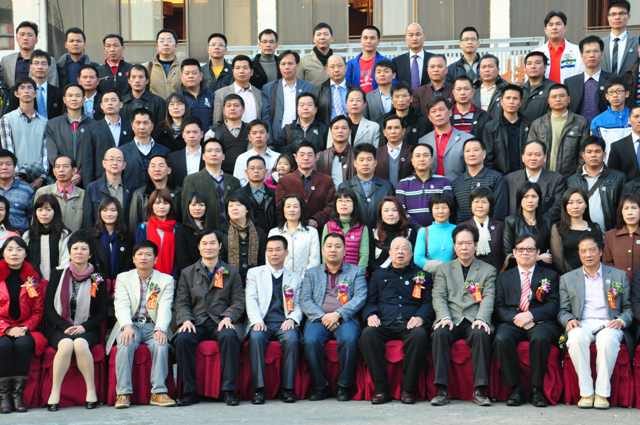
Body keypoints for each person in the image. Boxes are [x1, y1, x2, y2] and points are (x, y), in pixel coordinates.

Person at [559, 234, 631, 409]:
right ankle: (586, 393)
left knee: (607, 340)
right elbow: (563, 310)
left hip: (609, 323)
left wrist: (622, 320)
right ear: (579, 254)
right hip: (582, 323)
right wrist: (568, 320)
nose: (588, 254)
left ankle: (601, 394)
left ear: (600, 252)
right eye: (583, 251)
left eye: (592, 250)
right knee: (575, 339)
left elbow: (628, 308)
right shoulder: (568, 278)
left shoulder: (619, 276)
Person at [173, 230, 244, 406]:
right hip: (196, 321)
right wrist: (186, 319)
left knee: (229, 336)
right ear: (198, 247)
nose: (208, 247)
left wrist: (228, 317)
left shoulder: (231, 272)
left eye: (212, 243)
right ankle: (189, 392)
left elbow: (238, 301)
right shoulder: (187, 273)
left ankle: (229, 390)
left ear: (220, 246)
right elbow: (181, 302)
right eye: (204, 243)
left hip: (220, 321)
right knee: (183, 339)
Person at [360, 236, 432, 404]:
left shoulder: (422, 275)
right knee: (368, 335)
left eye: (404, 249)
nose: (400, 252)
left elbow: (428, 303)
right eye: (396, 249)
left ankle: (408, 390)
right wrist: (371, 315)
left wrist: (420, 317)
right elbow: (370, 302)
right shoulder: (378, 275)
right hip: (384, 322)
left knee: (419, 335)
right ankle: (381, 389)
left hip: (410, 323)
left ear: (411, 254)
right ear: (390, 253)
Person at [430, 224, 496, 407]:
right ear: (454, 246)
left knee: (481, 334)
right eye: (460, 243)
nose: (464, 247)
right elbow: (438, 296)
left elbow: (489, 297)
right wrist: (444, 317)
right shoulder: (443, 269)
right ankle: (441, 390)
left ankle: (480, 390)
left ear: (475, 245)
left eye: (468, 243)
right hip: (451, 317)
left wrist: (482, 319)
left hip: (474, 317)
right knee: (439, 334)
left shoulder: (488, 270)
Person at [494, 235, 561, 407]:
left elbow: (554, 304)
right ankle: (515, 389)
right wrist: (516, 318)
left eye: (530, 249)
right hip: (513, 321)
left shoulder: (550, 275)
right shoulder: (503, 277)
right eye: (521, 249)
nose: (525, 253)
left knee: (540, 338)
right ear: (514, 253)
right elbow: (499, 307)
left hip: (540, 322)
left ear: (538, 253)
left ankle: (537, 390)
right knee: (501, 338)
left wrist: (532, 315)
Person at [107, 240, 175, 409]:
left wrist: (161, 329)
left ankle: (158, 392)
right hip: (131, 325)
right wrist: (126, 326)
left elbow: (165, 307)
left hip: (154, 325)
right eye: (140, 254)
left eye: (148, 254)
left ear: (155, 259)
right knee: (125, 342)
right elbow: (121, 304)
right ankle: (123, 393)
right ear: (133, 259)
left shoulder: (166, 280)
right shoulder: (123, 278)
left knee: (161, 344)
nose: (144, 258)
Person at [300, 232, 367, 401]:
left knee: (350, 339)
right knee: (311, 340)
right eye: (329, 246)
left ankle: (344, 386)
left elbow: (360, 297)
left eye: (337, 246)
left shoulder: (356, 271)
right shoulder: (311, 273)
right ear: (323, 250)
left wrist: (338, 314)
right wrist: (323, 317)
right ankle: (320, 386)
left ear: (344, 251)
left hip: (345, 318)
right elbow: (305, 299)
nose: (333, 250)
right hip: (318, 318)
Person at [43, 231, 106, 411]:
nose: (79, 252)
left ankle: (91, 392)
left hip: (87, 328)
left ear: (90, 254)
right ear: (69, 252)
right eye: (75, 248)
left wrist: (83, 327)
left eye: (84, 249)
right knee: (65, 345)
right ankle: (55, 393)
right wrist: (65, 326)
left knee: (79, 344)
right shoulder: (57, 274)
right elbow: (49, 309)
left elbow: (102, 312)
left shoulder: (97, 277)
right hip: (59, 327)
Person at [245, 235, 302, 404]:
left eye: (278, 250)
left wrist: (292, 318)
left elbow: (299, 303)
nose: (274, 254)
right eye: (270, 250)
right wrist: (256, 321)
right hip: (262, 320)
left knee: (292, 339)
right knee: (256, 337)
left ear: (286, 252)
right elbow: (251, 299)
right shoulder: (255, 273)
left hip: (283, 321)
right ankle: (259, 389)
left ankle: (288, 389)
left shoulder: (295, 277)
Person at [0, 236, 46, 414]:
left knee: (24, 344)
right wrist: (7, 329)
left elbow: (38, 310)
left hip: (24, 327)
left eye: (19, 249)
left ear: (25, 253)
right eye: (10, 249)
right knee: (3, 346)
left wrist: (25, 327)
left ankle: (17, 395)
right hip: (2, 326)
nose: (14, 253)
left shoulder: (31, 277)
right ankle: (4, 396)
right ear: (3, 253)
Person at [528, 83, 590, 176]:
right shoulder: (537, 124)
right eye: (554, 97)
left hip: (569, 177)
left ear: (568, 99)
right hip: (542, 176)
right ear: (548, 101)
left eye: (562, 96)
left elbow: (584, 153)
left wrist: (576, 175)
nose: (558, 99)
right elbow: (530, 151)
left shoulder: (580, 122)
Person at [566, 136, 624, 233]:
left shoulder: (618, 178)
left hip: (609, 234)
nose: (593, 155)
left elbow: (622, 209)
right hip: (580, 234)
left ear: (604, 154)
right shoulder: (572, 181)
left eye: (597, 151)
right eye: (589, 152)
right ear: (583, 155)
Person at [181, 138, 241, 230]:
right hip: (204, 233)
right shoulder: (191, 180)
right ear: (203, 156)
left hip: (231, 232)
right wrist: (199, 231)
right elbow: (186, 213)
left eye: (218, 151)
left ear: (223, 156)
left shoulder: (234, 181)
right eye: (209, 151)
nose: (214, 154)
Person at [275, 142, 335, 230]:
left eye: (310, 155)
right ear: (295, 157)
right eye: (302, 155)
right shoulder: (285, 181)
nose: (306, 158)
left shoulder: (326, 180)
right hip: (292, 228)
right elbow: (280, 205)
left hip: (320, 228)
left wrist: (316, 220)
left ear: (316, 157)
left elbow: (331, 205)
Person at [0, 78, 48, 187]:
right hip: (15, 178)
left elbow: (45, 153)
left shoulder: (45, 122)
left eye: (30, 88)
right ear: (16, 94)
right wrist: (18, 176)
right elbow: (8, 151)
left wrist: (42, 177)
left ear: (35, 93)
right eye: (22, 88)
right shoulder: (6, 119)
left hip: (39, 178)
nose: (26, 91)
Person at [262, 51, 316, 146]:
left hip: (301, 139)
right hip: (277, 138)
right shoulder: (269, 88)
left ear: (297, 66)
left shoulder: (308, 88)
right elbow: (266, 116)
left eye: (290, 63)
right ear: (279, 66)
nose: (286, 67)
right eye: (283, 64)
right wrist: (269, 140)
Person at [80, 89, 133, 185]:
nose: (110, 103)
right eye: (106, 100)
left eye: (113, 100)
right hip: (100, 181)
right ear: (101, 106)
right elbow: (87, 160)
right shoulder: (92, 129)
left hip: (127, 180)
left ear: (121, 104)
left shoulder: (130, 127)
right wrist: (89, 186)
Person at [505, 140, 566, 220]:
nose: (533, 158)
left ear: (545, 158)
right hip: (514, 225)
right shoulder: (509, 179)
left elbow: (557, 207)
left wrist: (538, 223)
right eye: (529, 154)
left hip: (545, 225)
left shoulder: (557, 180)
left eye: (537, 155)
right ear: (523, 157)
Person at [339, 143, 394, 229]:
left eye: (369, 159)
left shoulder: (386, 187)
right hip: (354, 232)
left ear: (375, 163)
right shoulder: (345, 187)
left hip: (380, 232)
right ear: (355, 163)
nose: (365, 163)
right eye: (361, 160)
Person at [452, 138, 508, 222]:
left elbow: (500, 210)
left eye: (476, 150)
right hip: (462, 228)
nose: (471, 154)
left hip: (490, 227)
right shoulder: (456, 183)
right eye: (467, 151)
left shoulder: (496, 178)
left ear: (484, 154)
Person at [396, 144, 451, 227]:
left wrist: (433, 229)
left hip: (438, 229)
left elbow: (448, 208)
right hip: (411, 230)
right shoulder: (403, 184)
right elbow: (401, 211)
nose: (422, 159)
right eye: (417, 156)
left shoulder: (444, 182)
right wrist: (419, 229)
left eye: (425, 155)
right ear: (412, 161)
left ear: (431, 159)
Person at [419, 97, 474, 181]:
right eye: (433, 111)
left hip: (459, 187)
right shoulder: (423, 141)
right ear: (429, 117)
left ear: (450, 112)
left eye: (441, 110)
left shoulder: (467, 139)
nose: (438, 114)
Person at [550, 188, 603, 273]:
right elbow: (558, 260)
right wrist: (573, 276)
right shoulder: (558, 228)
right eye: (570, 203)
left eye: (579, 202)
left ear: (586, 204)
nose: (575, 206)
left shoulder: (595, 227)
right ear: (565, 206)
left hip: (594, 274)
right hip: (568, 275)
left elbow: (600, 254)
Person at [268, 194, 320, 277]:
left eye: (295, 207)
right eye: (288, 206)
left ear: (301, 209)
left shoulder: (312, 232)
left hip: (306, 280)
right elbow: (269, 261)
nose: (291, 210)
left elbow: (315, 261)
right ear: (283, 210)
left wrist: (302, 279)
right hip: (280, 280)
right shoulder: (274, 233)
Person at [45, 84, 93, 171]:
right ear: (64, 100)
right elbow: (52, 154)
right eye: (70, 96)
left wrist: (80, 173)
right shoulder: (53, 124)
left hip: (87, 174)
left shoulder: (93, 125)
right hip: (61, 173)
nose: (74, 99)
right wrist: (67, 171)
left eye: (78, 96)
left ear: (83, 100)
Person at [503, 182, 553, 267]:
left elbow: (551, 251)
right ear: (520, 200)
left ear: (539, 200)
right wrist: (537, 258)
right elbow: (508, 254)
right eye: (526, 196)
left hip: (543, 268)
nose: (530, 201)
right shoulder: (511, 221)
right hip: (518, 268)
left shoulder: (547, 221)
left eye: (534, 196)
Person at [119, 108, 170, 191]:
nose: (142, 127)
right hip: (131, 197)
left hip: (158, 197)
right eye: (138, 123)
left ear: (152, 126)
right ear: (132, 126)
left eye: (145, 123)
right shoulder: (122, 152)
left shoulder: (164, 151)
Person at [483, 84, 530, 174]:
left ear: (520, 102)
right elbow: (488, 157)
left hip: (524, 175)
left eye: (515, 98)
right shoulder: (491, 127)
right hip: (499, 176)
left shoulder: (529, 125)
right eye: (508, 98)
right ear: (501, 102)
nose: (511, 102)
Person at [565, 35, 612, 125]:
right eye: (587, 52)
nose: (591, 55)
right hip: (577, 129)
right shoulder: (570, 83)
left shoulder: (613, 80)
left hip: (606, 128)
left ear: (602, 54)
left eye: (595, 51)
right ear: (581, 55)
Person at [23, 194, 70, 281]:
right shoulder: (28, 235)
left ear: (55, 212)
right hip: (32, 282)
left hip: (57, 281)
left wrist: (54, 280)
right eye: (40, 210)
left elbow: (65, 262)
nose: (44, 214)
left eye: (48, 210)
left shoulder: (64, 234)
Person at [83, 148, 132, 229]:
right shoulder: (92, 188)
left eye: (119, 160)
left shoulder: (130, 188)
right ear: (104, 163)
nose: (115, 163)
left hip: (124, 234)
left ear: (124, 165)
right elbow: (88, 219)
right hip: (98, 234)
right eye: (111, 159)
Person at [128, 154, 181, 232]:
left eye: (161, 165)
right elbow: (134, 223)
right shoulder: (140, 194)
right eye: (153, 166)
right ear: (148, 171)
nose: (157, 169)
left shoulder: (178, 193)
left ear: (169, 170)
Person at [134, 189, 179, 276]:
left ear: (170, 206)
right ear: (151, 205)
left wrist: (174, 277)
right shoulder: (143, 228)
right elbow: (139, 255)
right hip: (148, 276)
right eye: (157, 203)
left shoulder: (177, 228)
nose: (161, 207)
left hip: (172, 277)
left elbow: (179, 258)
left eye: (165, 203)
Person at [34, 155, 85, 232]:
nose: (61, 170)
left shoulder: (83, 195)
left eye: (65, 166)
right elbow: (35, 222)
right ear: (54, 171)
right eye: (57, 167)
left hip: (75, 238)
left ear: (74, 170)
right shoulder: (42, 192)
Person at [221, 196, 266, 281]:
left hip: (255, 280)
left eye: (238, 205)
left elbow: (263, 261)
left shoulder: (259, 233)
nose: (234, 208)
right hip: (229, 281)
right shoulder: (221, 232)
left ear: (247, 209)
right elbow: (219, 262)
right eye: (230, 206)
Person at [321, 188, 369, 269]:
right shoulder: (328, 226)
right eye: (340, 201)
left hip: (355, 273)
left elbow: (364, 256)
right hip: (332, 273)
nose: (343, 204)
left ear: (354, 204)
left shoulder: (362, 228)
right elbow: (324, 254)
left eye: (348, 201)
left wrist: (357, 274)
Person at [0, 21, 57, 88]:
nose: (25, 38)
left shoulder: (49, 60)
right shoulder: (6, 61)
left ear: (36, 39)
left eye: (30, 35)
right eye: (22, 34)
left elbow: (53, 85)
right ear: (17, 38)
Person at [90, 197, 132, 287]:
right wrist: (102, 285)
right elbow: (91, 264)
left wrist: (119, 282)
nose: (109, 214)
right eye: (105, 210)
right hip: (97, 284)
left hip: (122, 284)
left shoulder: (127, 236)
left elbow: (129, 264)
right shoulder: (92, 236)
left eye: (113, 210)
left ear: (119, 213)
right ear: (100, 213)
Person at [534, 10, 583, 83]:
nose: (554, 27)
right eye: (551, 25)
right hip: (545, 90)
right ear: (545, 30)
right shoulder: (536, 53)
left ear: (565, 28)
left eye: (558, 24)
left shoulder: (578, 51)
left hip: (570, 90)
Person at [462, 187, 505, 271]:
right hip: (470, 274)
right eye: (476, 201)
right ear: (471, 204)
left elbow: (504, 253)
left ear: (490, 205)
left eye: (484, 202)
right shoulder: (463, 227)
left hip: (495, 273)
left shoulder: (500, 226)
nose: (480, 206)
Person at [213, 55, 263, 126]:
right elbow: (217, 122)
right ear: (233, 71)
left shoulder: (259, 93)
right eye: (237, 68)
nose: (241, 71)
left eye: (245, 68)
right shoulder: (220, 94)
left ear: (251, 72)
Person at [413, 193, 456, 273]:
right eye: (436, 208)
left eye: (444, 208)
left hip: (454, 274)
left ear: (450, 210)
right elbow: (418, 258)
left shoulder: (458, 230)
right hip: (431, 275)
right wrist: (441, 268)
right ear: (431, 210)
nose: (440, 211)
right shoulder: (424, 232)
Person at [370, 197, 416, 271]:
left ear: (400, 212)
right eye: (386, 210)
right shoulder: (374, 232)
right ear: (380, 213)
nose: (390, 214)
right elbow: (370, 261)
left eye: (394, 210)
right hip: (379, 274)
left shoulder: (410, 232)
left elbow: (413, 259)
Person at [233, 155, 277, 232]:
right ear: (246, 172)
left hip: (271, 234)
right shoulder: (238, 195)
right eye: (252, 168)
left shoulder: (275, 194)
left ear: (266, 171)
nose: (256, 171)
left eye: (260, 168)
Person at [209, 94, 249, 175]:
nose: (232, 108)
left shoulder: (251, 130)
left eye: (236, 105)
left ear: (243, 109)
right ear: (223, 110)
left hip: (247, 174)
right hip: (221, 175)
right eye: (228, 106)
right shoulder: (213, 131)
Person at [604, 193, 640, 280]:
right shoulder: (610, 236)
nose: (630, 212)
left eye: (634, 208)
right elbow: (606, 264)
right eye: (626, 208)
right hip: (617, 284)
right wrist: (618, 281)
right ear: (621, 212)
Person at [232, 119, 278, 186]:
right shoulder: (242, 158)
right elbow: (237, 183)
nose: (258, 136)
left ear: (268, 135)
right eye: (254, 133)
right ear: (249, 137)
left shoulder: (277, 158)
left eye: (262, 132)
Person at [316, 115, 355, 187]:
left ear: (350, 131)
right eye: (336, 128)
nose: (340, 131)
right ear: (331, 131)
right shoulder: (320, 156)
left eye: (344, 128)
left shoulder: (357, 155)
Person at [345, 26, 386, 93]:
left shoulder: (386, 62)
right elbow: (347, 86)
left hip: (378, 99)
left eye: (372, 38)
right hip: (357, 99)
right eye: (365, 38)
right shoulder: (350, 64)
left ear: (378, 41)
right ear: (361, 40)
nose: (368, 41)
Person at [374, 114, 412, 187]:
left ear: (403, 131)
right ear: (384, 132)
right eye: (389, 128)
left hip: (407, 191)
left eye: (396, 127)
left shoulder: (412, 151)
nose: (393, 131)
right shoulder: (376, 153)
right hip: (383, 193)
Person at [0, 150, 33, 233]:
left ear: (14, 167)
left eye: (8, 164)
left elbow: (33, 217)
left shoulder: (27, 190)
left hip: (20, 236)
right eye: (0, 164)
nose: (4, 167)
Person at [393, 23, 433, 90]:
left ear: (424, 37)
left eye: (418, 34)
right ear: (406, 38)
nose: (414, 38)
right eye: (411, 35)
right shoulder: (397, 62)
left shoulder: (433, 59)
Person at [602, 0, 638, 75]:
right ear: (608, 18)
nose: (617, 17)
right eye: (613, 14)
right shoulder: (599, 44)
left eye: (621, 13)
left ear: (628, 16)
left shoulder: (637, 43)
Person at [174, 193, 207, 272]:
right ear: (188, 206)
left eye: (201, 205)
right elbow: (182, 261)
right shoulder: (181, 230)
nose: (197, 208)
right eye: (193, 205)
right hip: (190, 275)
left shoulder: (212, 228)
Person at [167, 117, 204, 186]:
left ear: (202, 134)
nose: (191, 136)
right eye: (188, 132)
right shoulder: (173, 158)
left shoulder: (210, 156)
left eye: (195, 132)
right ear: (183, 135)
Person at [179, 58, 214, 130]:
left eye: (194, 73)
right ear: (181, 77)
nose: (190, 76)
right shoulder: (177, 97)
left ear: (201, 76)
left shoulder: (211, 96)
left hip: (208, 136)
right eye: (187, 73)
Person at [520, 51, 555, 123]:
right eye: (529, 63)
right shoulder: (519, 89)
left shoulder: (553, 88)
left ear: (545, 67)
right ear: (525, 68)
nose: (533, 66)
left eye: (537, 63)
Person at [607, 105, 640, 180]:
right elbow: (613, 176)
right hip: (627, 187)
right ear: (629, 120)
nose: (639, 120)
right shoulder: (617, 147)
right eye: (636, 116)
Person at [27, 49, 62, 119]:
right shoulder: (21, 91)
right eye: (36, 63)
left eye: (43, 64)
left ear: (49, 67)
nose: (40, 67)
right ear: (30, 67)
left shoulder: (59, 93)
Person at [147, 29, 181, 100]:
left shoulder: (183, 67)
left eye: (169, 41)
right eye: (162, 41)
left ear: (176, 45)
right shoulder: (148, 67)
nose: (166, 44)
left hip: (176, 105)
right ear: (157, 46)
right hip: (155, 106)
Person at [297, 22, 334, 86]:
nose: (322, 37)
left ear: (332, 39)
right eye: (318, 34)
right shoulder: (304, 61)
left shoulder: (338, 61)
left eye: (326, 34)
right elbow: (298, 85)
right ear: (313, 39)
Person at [317, 54, 350, 124]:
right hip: (327, 128)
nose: (336, 70)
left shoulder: (354, 89)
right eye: (332, 67)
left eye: (339, 66)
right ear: (326, 70)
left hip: (349, 127)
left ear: (346, 68)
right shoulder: (319, 90)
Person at [473, 54, 507, 118]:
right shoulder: (473, 89)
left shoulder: (506, 89)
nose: (487, 70)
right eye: (483, 67)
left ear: (498, 70)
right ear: (479, 71)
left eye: (490, 66)